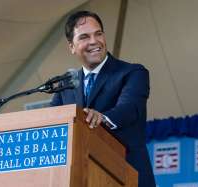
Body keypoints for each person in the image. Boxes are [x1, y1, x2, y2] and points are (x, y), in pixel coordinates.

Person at [50, 10, 156, 187]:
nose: (94, 41)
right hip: (82, 178)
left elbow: (129, 108)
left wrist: (102, 118)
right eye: (84, 37)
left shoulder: (133, 73)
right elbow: (53, 124)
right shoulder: (65, 86)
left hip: (127, 176)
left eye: (98, 34)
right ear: (71, 46)